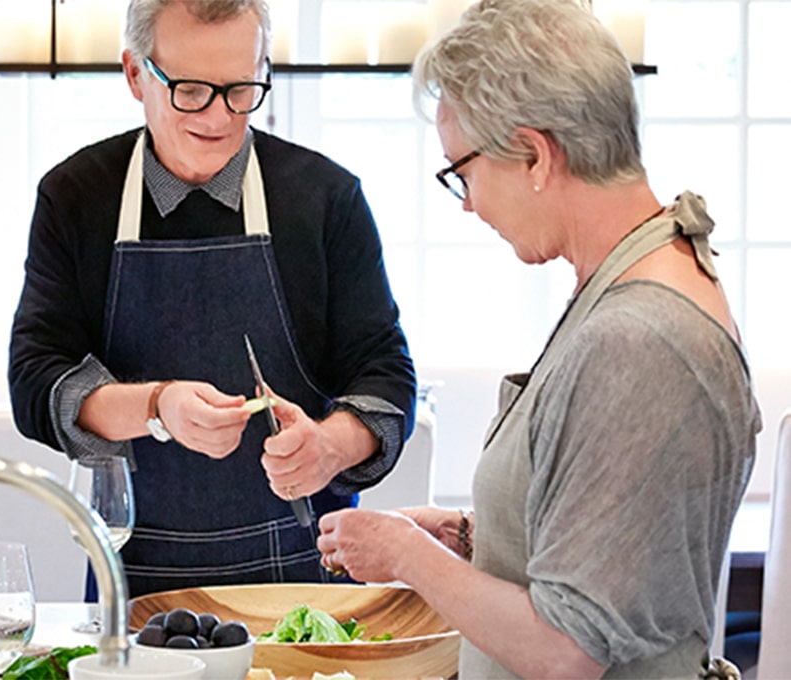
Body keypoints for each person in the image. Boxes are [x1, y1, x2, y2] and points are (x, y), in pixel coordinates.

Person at [315, 0, 760, 677]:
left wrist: (411, 558)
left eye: (462, 172)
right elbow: (613, 556)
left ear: (534, 155)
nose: (467, 203)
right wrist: (474, 540)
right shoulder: (635, 277)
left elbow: (567, 649)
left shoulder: (637, 340)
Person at [8, 0, 415, 599]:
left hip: (305, 572)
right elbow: (35, 381)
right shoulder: (75, 197)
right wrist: (156, 407)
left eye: (242, 88)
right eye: (191, 91)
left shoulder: (326, 198)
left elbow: (386, 374)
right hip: (133, 572)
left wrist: (330, 446)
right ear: (134, 74)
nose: (220, 116)